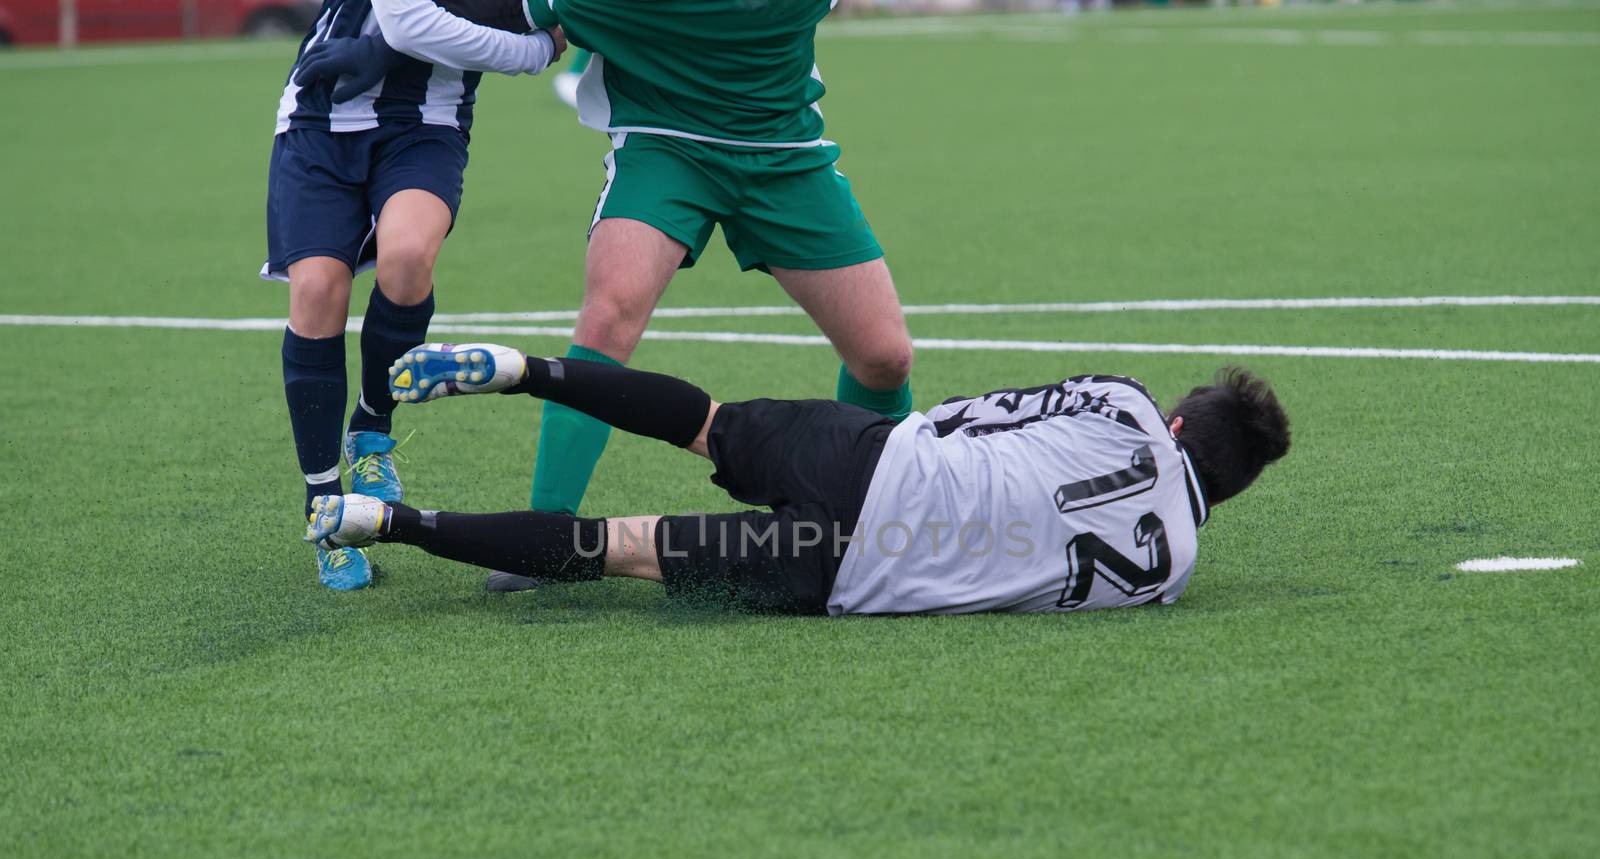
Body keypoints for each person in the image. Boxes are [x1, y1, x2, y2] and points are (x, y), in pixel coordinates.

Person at [426, 0, 918, 593]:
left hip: (784, 155)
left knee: (884, 357)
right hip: (665, 146)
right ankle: (547, 536)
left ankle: (885, 504)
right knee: (609, 315)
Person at [306, 344, 1291, 615]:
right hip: (858, 576)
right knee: (614, 548)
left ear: (1174, 420)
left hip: (877, 460)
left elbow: (973, 414)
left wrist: (893, 444)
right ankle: (390, 522)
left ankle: (527, 372)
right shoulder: (1175, 573)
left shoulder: (1122, 403)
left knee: (705, 423)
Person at [264, 0, 563, 588]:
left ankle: (372, 426)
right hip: (324, 116)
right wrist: (534, 53)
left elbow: (562, 24)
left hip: (429, 119)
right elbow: (410, 22)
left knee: (407, 256)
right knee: (319, 290)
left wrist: (545, 47)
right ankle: (324, 506)